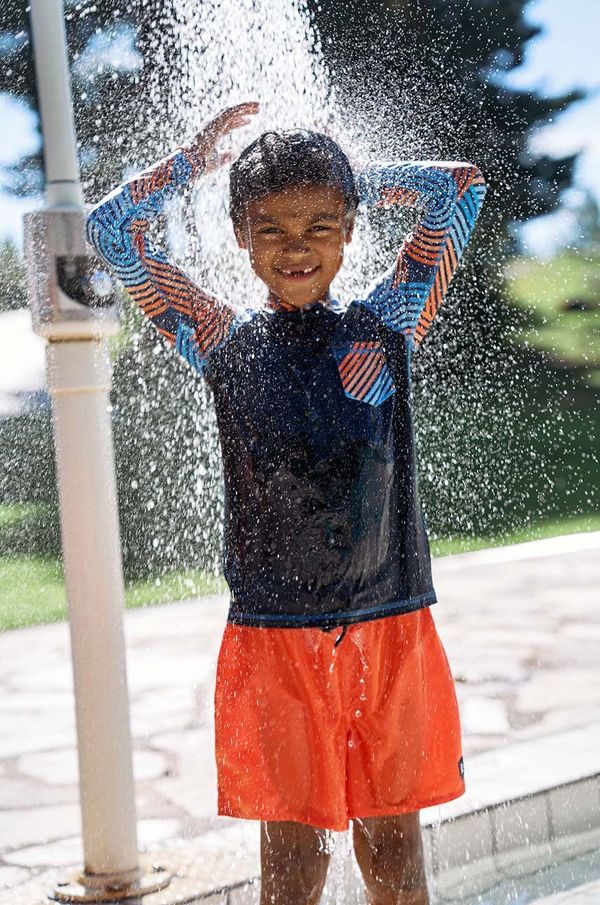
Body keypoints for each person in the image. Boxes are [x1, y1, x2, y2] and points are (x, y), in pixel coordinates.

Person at [86, 101, 487, 905]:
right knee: (293, 868)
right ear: (239, 236)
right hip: (275, 635)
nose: (296, 246)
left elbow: (461, 190)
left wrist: (350, 178)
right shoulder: (221, 341)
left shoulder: (387, 324)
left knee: (398, 857)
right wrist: (192, 168)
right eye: (270, 228)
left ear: (347, 230)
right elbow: (110, 231)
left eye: (320, 224)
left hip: (390, 622)